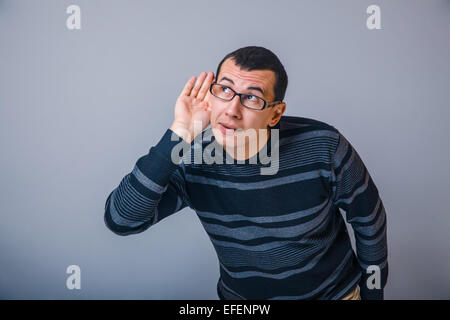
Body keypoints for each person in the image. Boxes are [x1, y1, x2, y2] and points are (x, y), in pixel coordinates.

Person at [104, 46, 388, 300]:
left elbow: (369, 222)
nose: (232, 109)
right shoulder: (190, 156)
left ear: (275, 114)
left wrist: (373, 294)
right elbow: (121, 220)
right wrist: (179, 133)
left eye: (251, 98)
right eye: (225, 90)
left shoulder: (323, 145)